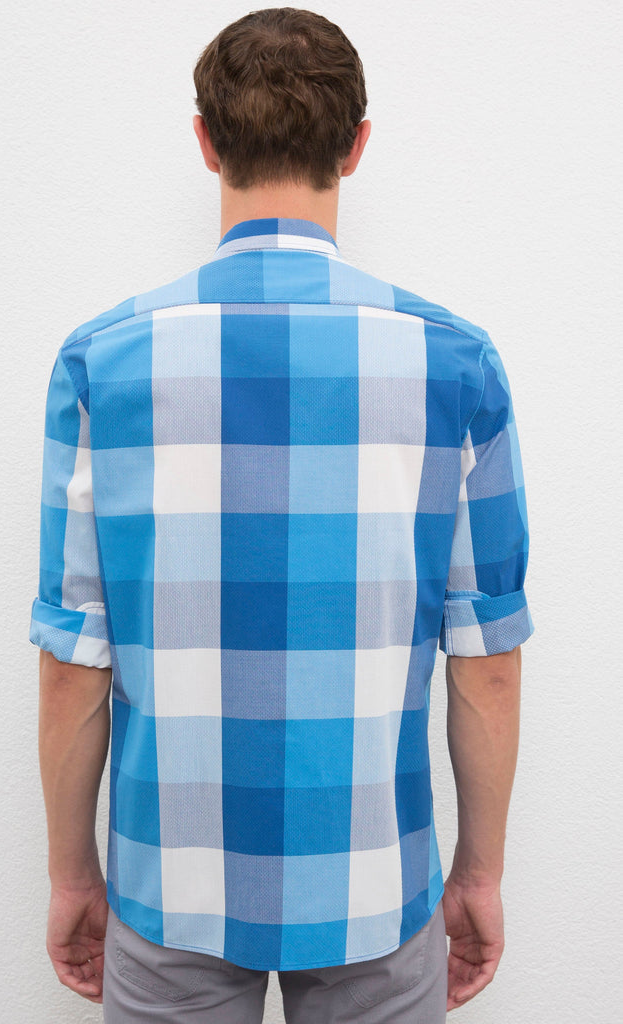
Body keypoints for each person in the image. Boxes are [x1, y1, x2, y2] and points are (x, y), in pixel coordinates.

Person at [31, 8, 533, 1022]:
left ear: (205, 141)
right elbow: (486, 661)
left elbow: (74, 659)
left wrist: (72, 873)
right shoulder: (455, 363)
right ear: (354, 146)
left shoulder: (101, 363)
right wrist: (478, 872)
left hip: (167, 884)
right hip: (374, 887)